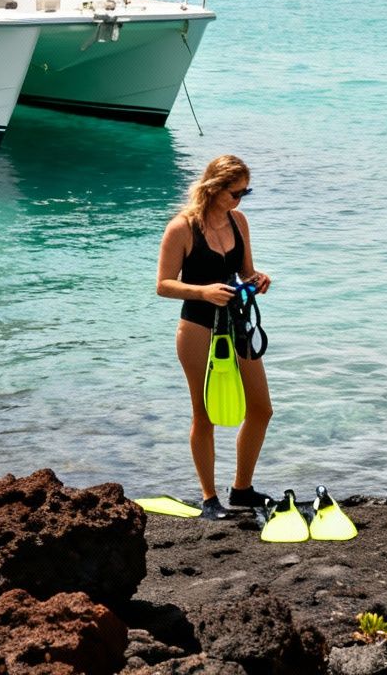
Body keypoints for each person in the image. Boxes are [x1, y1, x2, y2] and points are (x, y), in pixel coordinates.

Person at [154, 155, 272, 519]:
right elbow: (163, 285)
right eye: (236, 193)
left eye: (245, 193)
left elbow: (245, 271)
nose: (240, 199)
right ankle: (208, 499)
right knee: (203, 415)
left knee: (261, 409)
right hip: (197, 327)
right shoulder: (182, 227)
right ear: (215, 189)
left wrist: (258, 280)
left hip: (236, 323)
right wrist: (203, 292)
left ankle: (241, 489)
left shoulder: (239, 221)